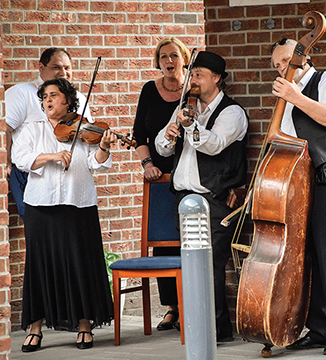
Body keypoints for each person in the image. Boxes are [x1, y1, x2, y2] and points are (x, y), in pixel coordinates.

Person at [12, 78, 115, 351]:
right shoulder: (33, 128)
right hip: (40, 206)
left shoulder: (83, 127)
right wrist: (52, 156)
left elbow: (97, 163)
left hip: (78, 204)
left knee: (79, 263)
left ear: (68, 101)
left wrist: (103, 147)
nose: (48, 101)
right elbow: (20, 157)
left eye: (54, 95)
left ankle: (84, 324)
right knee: (40, 266)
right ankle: (35, 328)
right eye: (45, 96)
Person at [155, 51, 248, 342]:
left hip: (215, 199)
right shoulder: (185, 107)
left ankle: (216, 331)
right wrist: (169, 135)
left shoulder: (232, 113)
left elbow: (214, 145)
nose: (192, 80)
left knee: (211, 265)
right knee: (190, 263)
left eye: (198, 75)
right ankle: (195, 323)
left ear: (216, 78)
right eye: (192, 74)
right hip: (183, 199)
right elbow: (161, 149)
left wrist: (190, 126)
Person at [271, 38, 326, 353]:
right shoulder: (284, 94)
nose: (282, 68)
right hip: (302, 185)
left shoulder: (322, 80)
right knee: (312, 260)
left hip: (325, 178)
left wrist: (295, 96)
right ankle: (319, 329)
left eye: (286, 60)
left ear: (304, 55)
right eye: (277, 65)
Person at [133, 37, 191, 331]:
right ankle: (171, 307)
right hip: (159, 174)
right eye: (163, 57)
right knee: (163, 244)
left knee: (186, 241)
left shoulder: (193, 91)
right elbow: (138, 135)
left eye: (174, 56)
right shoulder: (149, 90)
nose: (169, 61)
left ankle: (189, 304)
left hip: (188, 172)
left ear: (183, 59)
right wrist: (148, 165)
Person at [6, 47, 89, 220]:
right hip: (31, 171)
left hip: (69, 174)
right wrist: (6, 162)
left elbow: (87, 132)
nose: (63, 72)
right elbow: (4, 129)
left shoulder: (79, 98)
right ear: (41, 68)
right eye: (56, 67)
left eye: (67, 68)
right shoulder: (22, 93)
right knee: (36, 222)